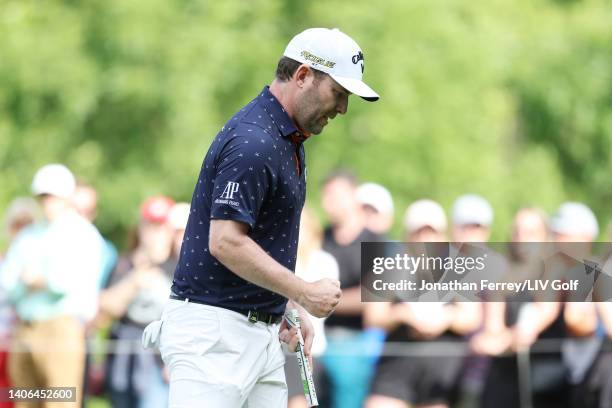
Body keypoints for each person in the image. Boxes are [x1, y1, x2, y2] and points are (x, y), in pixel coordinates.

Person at [151, 27, 378, 407]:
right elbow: (225, 241)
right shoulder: (255, 140)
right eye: (338, 94)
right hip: (214, 336)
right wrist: (301, 291)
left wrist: (284, 305)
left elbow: (257, 243)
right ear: (303, 76)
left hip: (255, 333)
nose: (342, 109)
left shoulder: (287, 139)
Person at [0, 164, 103, 408]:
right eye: (43, 197)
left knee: (60, 401)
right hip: (25, 328)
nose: (47, 202)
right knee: (25, 401)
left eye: (52, 196)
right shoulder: (29, 235)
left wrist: (39, 280)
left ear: (66, 197)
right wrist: (35, 281)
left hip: (62, 327)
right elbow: (9, 282)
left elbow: (71, 281)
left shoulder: (83, 233)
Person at [365, 199, 481, 408]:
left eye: (432, 233)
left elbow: (471, 317)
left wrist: (444, 320)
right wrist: (402, 314)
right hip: (397, 366)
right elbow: (373, 318)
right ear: (407, 236)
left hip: (440, 372)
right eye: (419, 233)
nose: (425, 239)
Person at [99, 196, 176, 408]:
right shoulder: (124, 264)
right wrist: (134, 281)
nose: (154, 234)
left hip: (159, 358)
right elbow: (106, 307)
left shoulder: (179, 268)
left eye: (159, 227)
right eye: (149, 226)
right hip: (124, 351)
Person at [320, 170, 385, 408]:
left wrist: (321, 299)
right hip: (316, 339)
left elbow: (374, 295)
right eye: (325, 196)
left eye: (334, 195)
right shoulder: (320, 238)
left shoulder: (377, 242)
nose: (328, 203)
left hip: (356, 344)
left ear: (353, 195)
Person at [284, 206, 339, 408]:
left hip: (309, 348)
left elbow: (320, 307)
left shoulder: (324, 261)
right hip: (281, 347)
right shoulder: (281, 260)